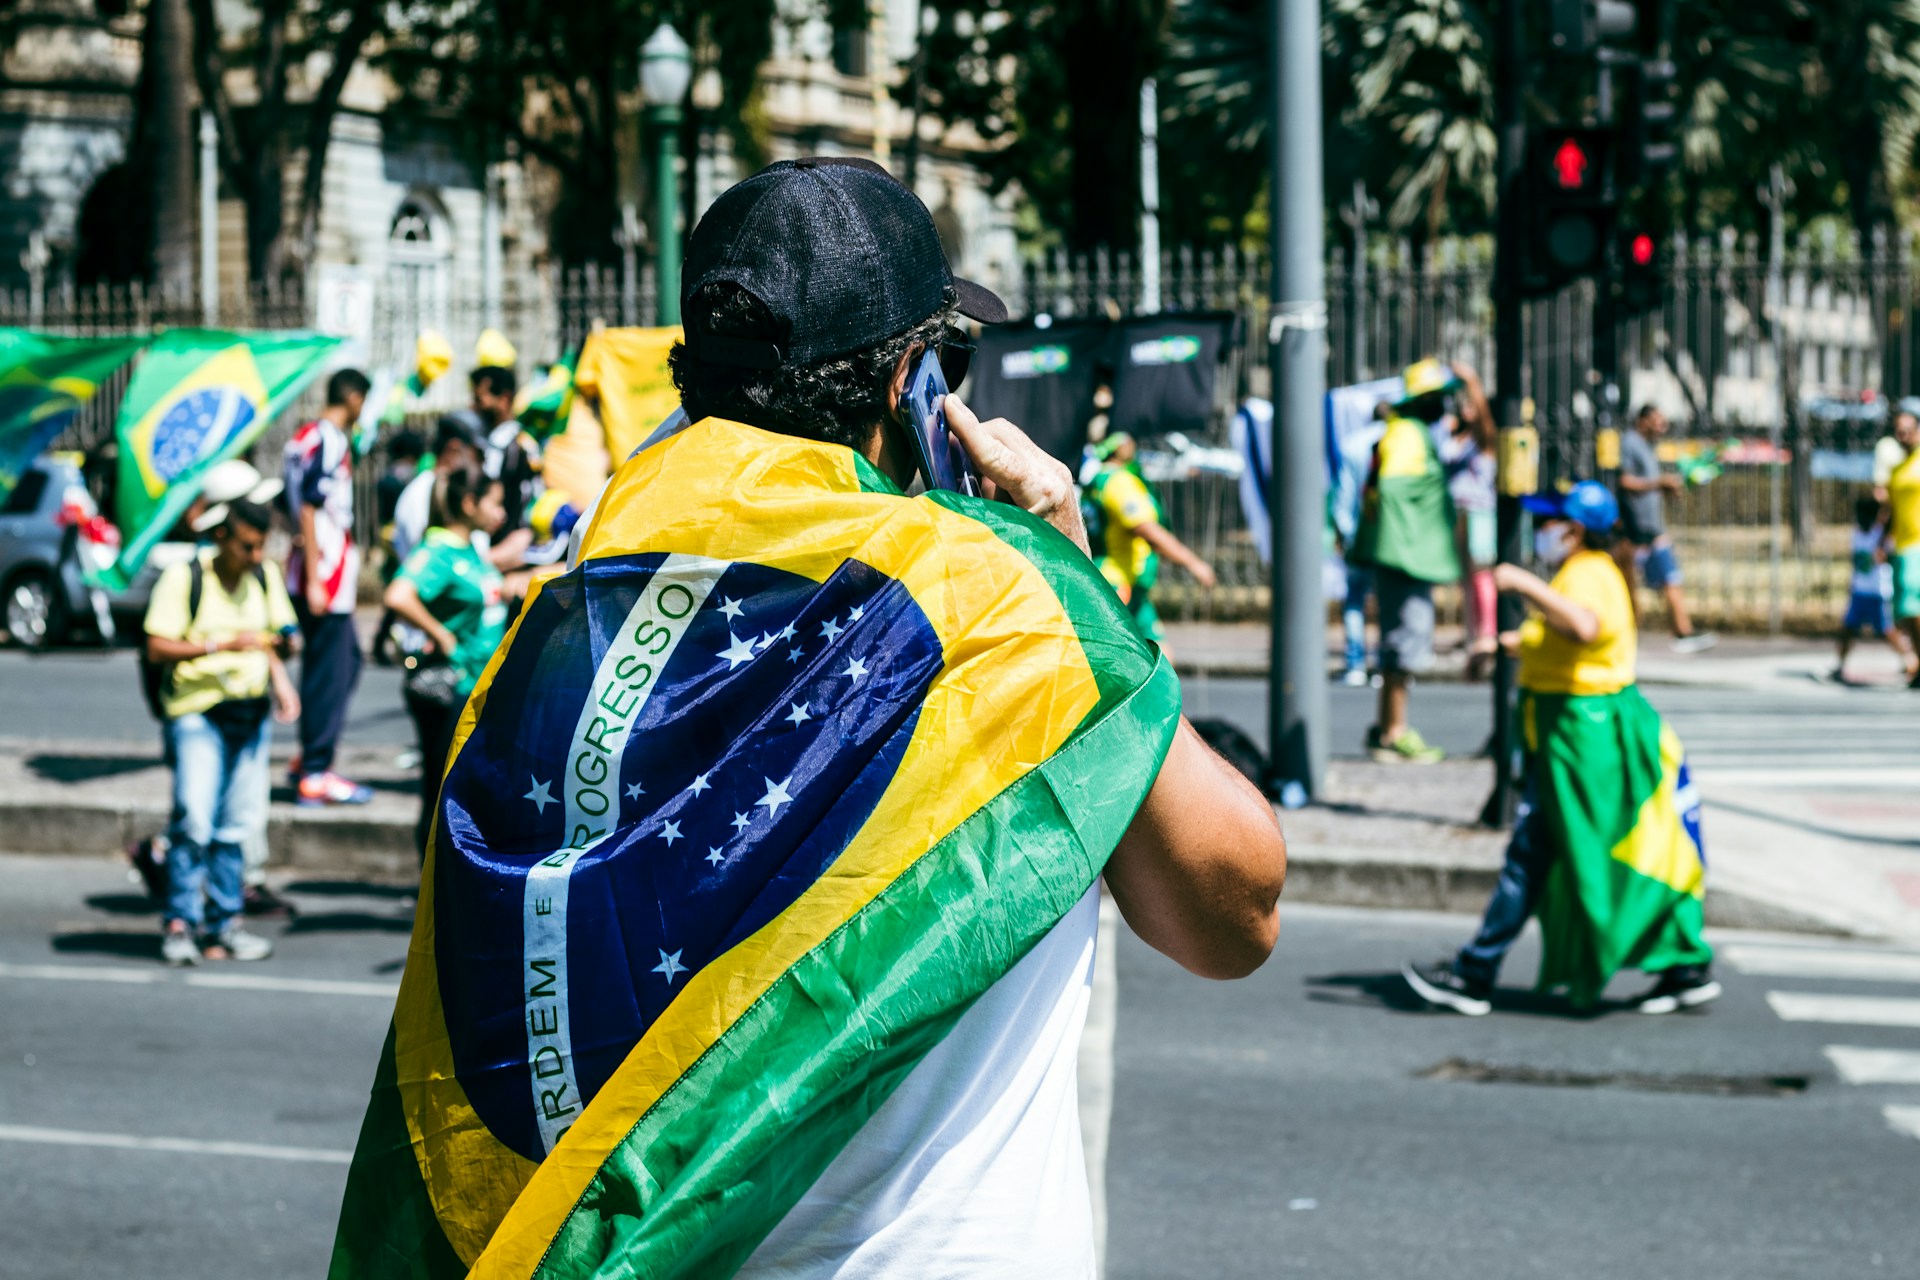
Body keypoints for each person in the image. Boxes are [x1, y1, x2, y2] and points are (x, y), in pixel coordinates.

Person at [331, 156, 1287, 1278]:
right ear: (911, 393)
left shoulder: (563, 626)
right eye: (951, 363)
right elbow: (1236, 911)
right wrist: (1071, 574)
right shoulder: (1001, 609)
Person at [1403, 482, 1718, 1016]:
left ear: (1573, 529)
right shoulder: (1588, 572)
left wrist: (1520, 582)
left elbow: (1583, 626)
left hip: (1581, 734)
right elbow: (1558, 637)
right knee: (1596, 851)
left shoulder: (1589, 573)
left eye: (1549, 522)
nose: (1541, 530)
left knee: (1542, 851)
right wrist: (1498, 645)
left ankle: (1475, 972)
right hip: (1575, 732)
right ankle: (1682, 963)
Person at [143, 499, 300, 965]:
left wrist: (282, 673)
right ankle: (179, 923)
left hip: (248, 714)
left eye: (261, 547)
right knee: (194, 818)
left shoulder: (264, 576)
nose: (255, 557)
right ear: (221, 538)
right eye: (247, 547)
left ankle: (225, 924)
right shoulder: (185, 578)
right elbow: (156, 646)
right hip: (197, 712)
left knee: (237, 824)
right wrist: (222, 644)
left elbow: (279, 633)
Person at [383, 464, 509, 860]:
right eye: (495, 503)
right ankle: (432, 896)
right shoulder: (437, 550)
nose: (501, 513)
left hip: (475, 686)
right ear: (470, 504)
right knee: (443, 795)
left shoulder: (469, 549)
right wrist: (441, 634)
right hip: (449, 688)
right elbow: (398, 596)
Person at [1349, 359, 1463, 763]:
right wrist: (1416, 548)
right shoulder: (1409, 435)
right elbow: (1398, 491)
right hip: (1404, 560)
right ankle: (1395, 732)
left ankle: (1385, 730)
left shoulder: (1402, 431)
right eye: (1440, 398)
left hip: (1399, 558)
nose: (1446, 405)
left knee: (1397, 644)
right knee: (1404, 645)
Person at [284, 367, 374, 806]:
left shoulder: (304, 437)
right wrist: (318, 576)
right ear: (354, 398)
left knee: (348, 661)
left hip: (316, 567)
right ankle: (316, 770)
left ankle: (310, 758)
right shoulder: (330, 438)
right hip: (325, 572)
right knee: (329, 671)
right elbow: (310, 504)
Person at [1088, 431, 1217, 644]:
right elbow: (1147, 530)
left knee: (1160, 656)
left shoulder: (1097, 480)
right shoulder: (1119, 482)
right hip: (1118, 585)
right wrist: (1194, 564)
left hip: (1126, 585)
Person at [1614, 404, 1716, 654]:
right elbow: (1624, 481)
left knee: (1668, 580)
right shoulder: (1630, 443)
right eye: (1658, 421)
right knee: (1632, 586)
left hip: (1650, 530)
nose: (1662, 426)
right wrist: (1659, 483)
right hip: (1637, 531)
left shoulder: (1648, 447)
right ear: (1643, 420)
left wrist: (1664, 488)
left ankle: (1682, 631)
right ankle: (1672, 633)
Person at [1435, 363, 1498, 680]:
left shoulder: (1485, 440)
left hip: (1480, 513)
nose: (1467, 409)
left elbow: (1484, 417)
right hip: (1457, 513)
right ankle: (1473, 633)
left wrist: (1473, 380)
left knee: (1482, 577)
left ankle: (1487, 634)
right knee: (1467, 579)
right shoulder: (1455, 436)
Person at [1874, 407, 1920, 685]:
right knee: (1904, 611)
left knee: (1914, 608)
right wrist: (1881, 543)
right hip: (1902, 547)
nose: (1902, 435)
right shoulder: (1897, 470)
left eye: (1907, 429)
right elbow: (1889, 512)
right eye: (1898, 431)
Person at [1835, 494, 1901, 684]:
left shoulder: (1881, 535)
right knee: (1848, 628)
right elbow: (1855, 562)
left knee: (1885, 631)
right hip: (1859, 592)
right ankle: (1840, 664)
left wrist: (1886, 498)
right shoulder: (1856, 534)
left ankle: (1909, 658)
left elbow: (1891, 521)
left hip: (1878, 592)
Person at [472, 363, 540, 535]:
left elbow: (485, 497)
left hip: (499, 540)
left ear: (504, 399)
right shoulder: (526, 440)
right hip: (523, 538)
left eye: (479, 399)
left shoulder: (497, 445)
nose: (474, 407)